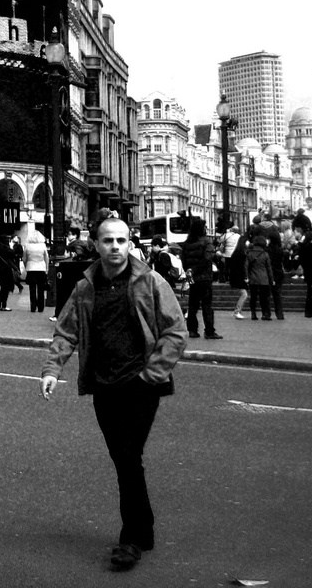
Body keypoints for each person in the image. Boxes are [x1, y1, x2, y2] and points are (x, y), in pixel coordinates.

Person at [40, 216, 185, 575]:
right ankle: (144, 529)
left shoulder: (150, 281)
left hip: (140, 385)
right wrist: (52, 369)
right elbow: (66, 329)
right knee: (126, 459)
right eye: (108, 241)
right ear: (96, 244)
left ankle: (131, 539)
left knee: (127, 457)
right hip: (103, 385)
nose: (115, 247)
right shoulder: (86, 286)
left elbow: (176, 332)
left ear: (130, 244)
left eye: (122, 240)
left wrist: (151, 374)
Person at [180, 222, 221, 340]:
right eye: (205, 227)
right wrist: (197, 270)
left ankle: (192, 330)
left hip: (193, 278)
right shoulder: (206, 242)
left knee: (193, 305)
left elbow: (183, 258)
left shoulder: (187, 243)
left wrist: (189, 270)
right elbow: (208, 258)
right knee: (207, 305)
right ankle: (209, 331)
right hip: (205, 277)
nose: (206, 229)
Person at [20, 226, 50, 314]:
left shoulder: (27, 246)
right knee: (41, 289)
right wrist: (46, 269)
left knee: (32, 289)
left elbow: (24, 259)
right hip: (41, 268)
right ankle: (41, 307)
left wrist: (26, 266)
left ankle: (33, 307)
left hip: (31, 268)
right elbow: (46, 258)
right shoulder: (43, 246)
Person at [245, 234, 273, 320]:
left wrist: (246, 276)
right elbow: (269, 268)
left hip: (253, 278)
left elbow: (246, 266)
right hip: (264, 279)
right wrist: (271, 279)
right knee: (264, 297)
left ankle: (253, 313)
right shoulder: (265, 254)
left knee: (253, 297)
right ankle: (265, 313)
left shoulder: (249, 253)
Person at [0, 230, 21, 312]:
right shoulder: (4, 247)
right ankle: (3, 305)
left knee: (2, 287)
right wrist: (11, 246)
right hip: (6, 268)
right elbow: (12, 253)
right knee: (6, 288)